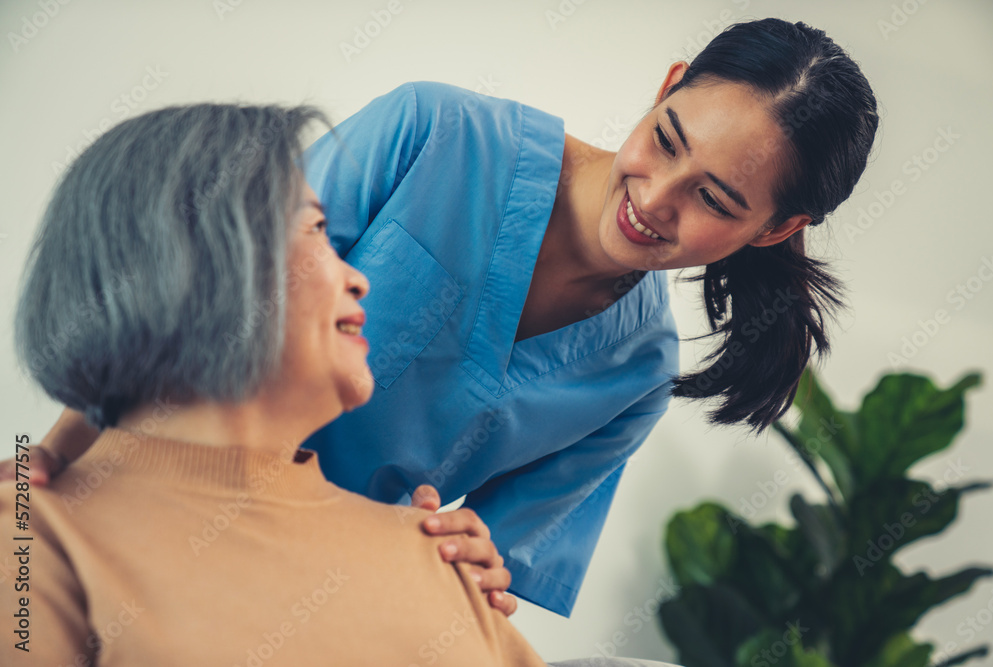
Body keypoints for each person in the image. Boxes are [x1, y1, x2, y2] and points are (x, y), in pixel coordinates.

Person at [4, 18, 879, 617]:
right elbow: (199, 294)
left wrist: (472, 560)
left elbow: (478, 579)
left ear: (776, 229)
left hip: (301, 599)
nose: (654, 198)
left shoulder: (636, 375)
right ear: (668, 86)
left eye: (714, 198)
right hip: (153, 498)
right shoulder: (434, 131)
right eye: (669, 138)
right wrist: (46, 459)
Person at [1, 101, 685, 667]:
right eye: (318, 232)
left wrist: (467, 578)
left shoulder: (431, 561)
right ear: (187, 262)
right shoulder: (36, 544)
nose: (360, 272)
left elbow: (493, 576)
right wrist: (56, 461)